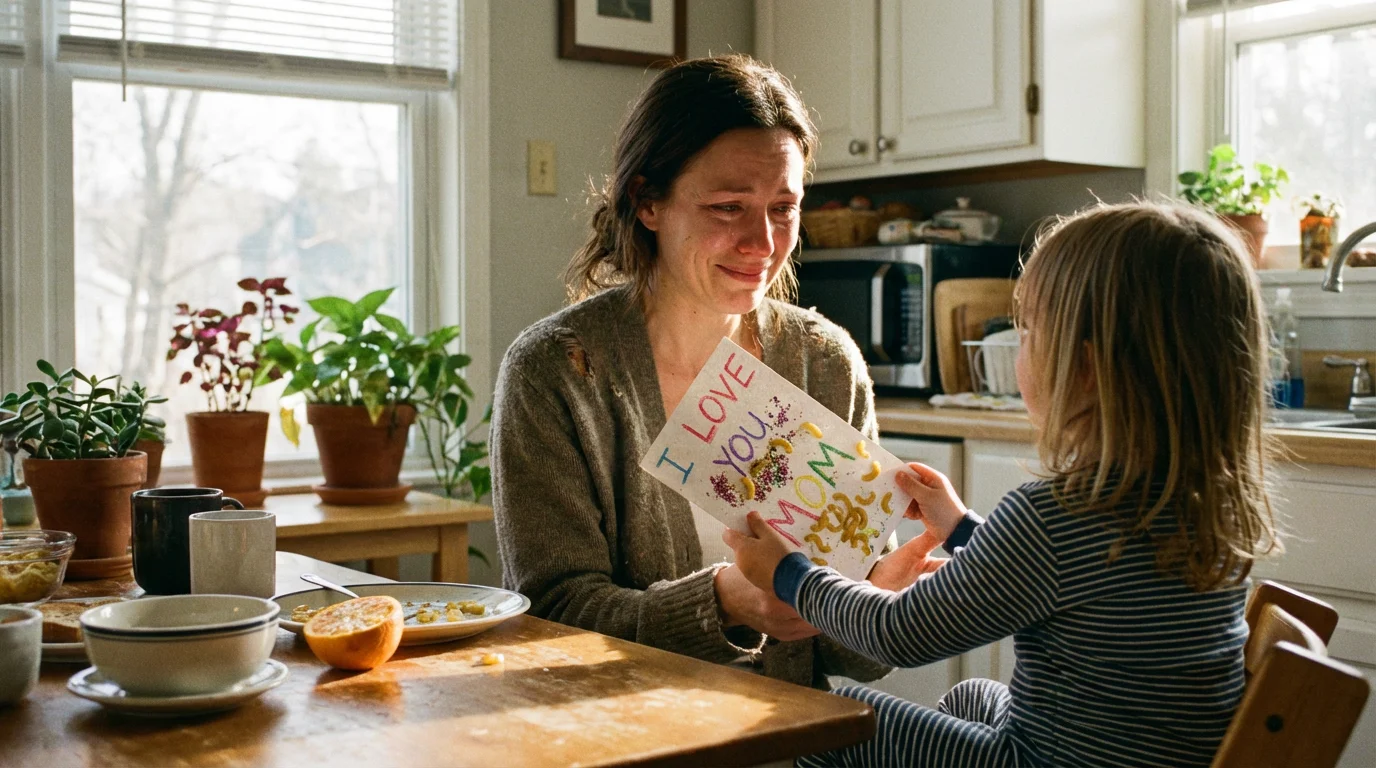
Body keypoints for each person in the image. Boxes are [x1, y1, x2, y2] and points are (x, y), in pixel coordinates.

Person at [725, 201, 1284, 766]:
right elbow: (1074, 578)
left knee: (825, 720)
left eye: (1028, 331)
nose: (1019, 345)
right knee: (973, 697)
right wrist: (963, 529)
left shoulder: (1054, 516)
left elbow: (898, 632)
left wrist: (791, 573)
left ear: (1083, 368)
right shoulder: (1205, 506)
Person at [491, 54, 905, 687]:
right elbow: (553, 617)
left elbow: (853, 661)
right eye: (727, 208)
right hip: (622, 736)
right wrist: (725, 603)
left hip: (788, 736)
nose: (763, 244)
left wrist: (886, 607)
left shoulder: (824, 363)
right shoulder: (557, 372)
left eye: (783, 207)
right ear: (648, 201)